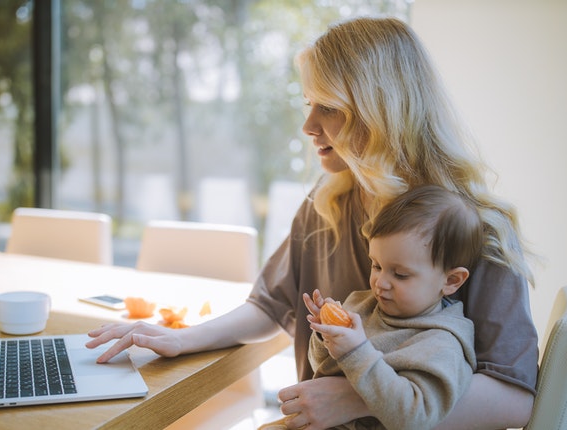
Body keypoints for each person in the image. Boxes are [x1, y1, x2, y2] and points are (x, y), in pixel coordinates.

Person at [86, 16, 538, 429]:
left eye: (330, 107)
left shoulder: (480, 230)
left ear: (382, 112)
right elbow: (270, 305)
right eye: (308, 103)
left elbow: (515, 398)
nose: (308, 125)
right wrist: (183, 339)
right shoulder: (326, 205)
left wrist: (358, 396)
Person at [260, 185, 482, 430]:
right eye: (376, 266)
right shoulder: (362, 305)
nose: (381, 282)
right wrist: (327, 336)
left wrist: (357, 351)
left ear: (451, 281)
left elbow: (414, 417)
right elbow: (322, 370)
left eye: (400, 274)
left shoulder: (442, 344)